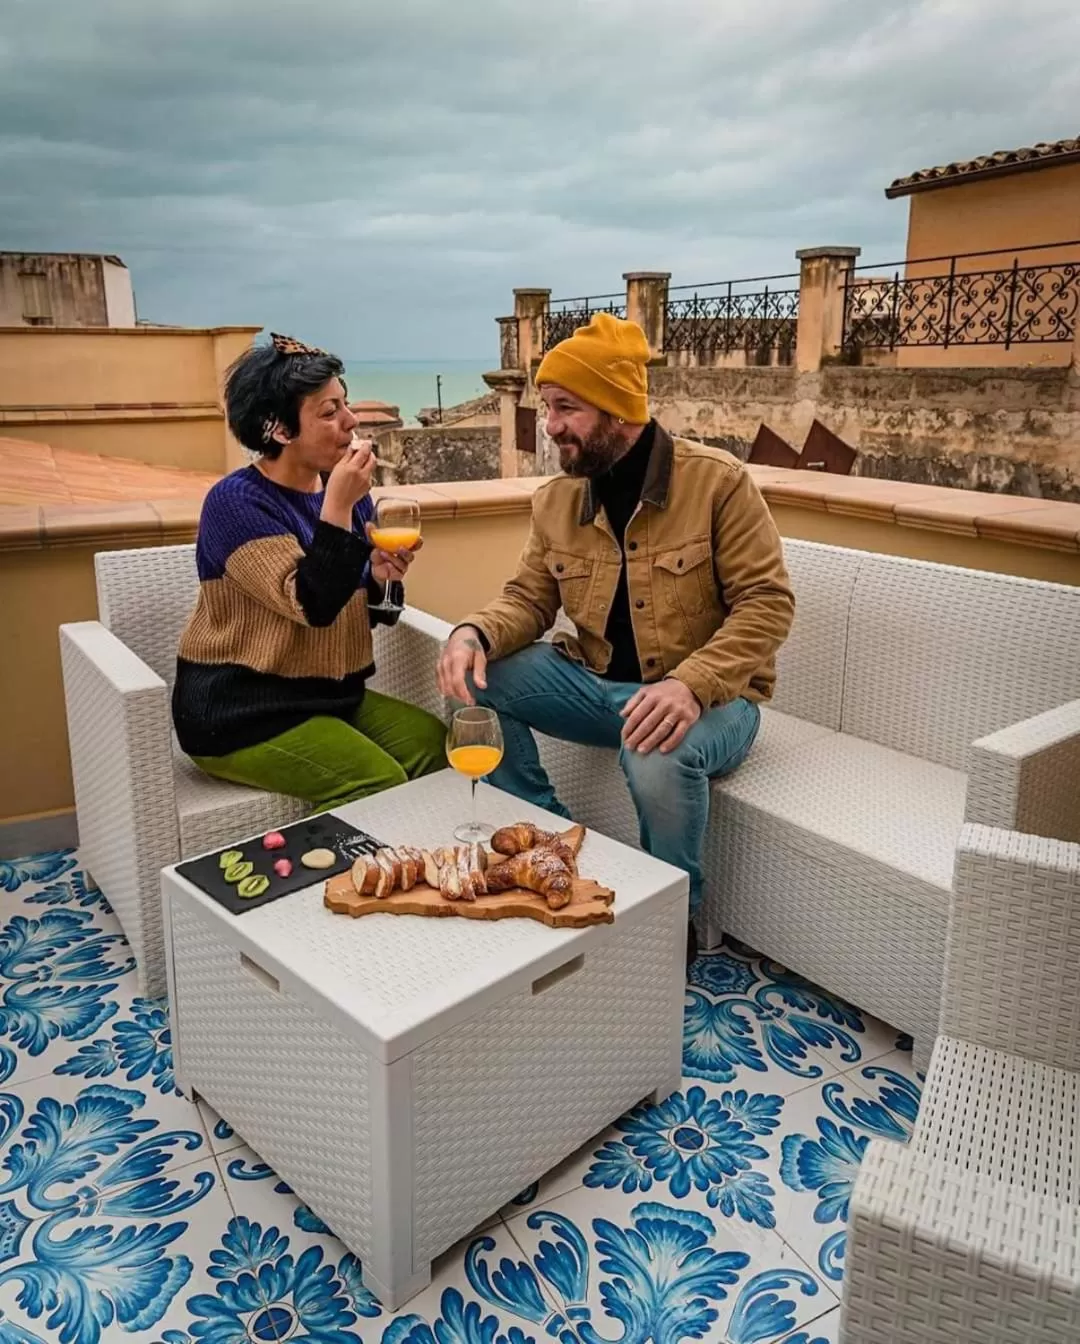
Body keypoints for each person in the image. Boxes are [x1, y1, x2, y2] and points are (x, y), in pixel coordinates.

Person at [436, 313, 794, 957]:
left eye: (565, 408)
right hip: (598, 687)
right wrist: (474, 634)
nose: (550, 425)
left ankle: (674, 922)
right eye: (547, 407)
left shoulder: (718, 483)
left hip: (714, 701)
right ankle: (553, 850)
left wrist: (691, 684)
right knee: (475, 681)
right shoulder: (557, 500)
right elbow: (529, 598)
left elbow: (767, 605)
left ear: (618, 409)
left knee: (655, 752)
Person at [172, 332, 447, 808]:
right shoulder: (236, 504)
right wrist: (336, 506)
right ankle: (314, 856)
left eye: (346, 403)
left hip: (327, 696)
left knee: (436, 748)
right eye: (329, 411)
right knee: (375, 781)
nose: (351, 421)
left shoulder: (347, 493)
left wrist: (381, 580)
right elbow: (311, 604)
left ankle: (416, 853)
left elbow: (369, 611)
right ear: (280, 430)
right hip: (240, 712)